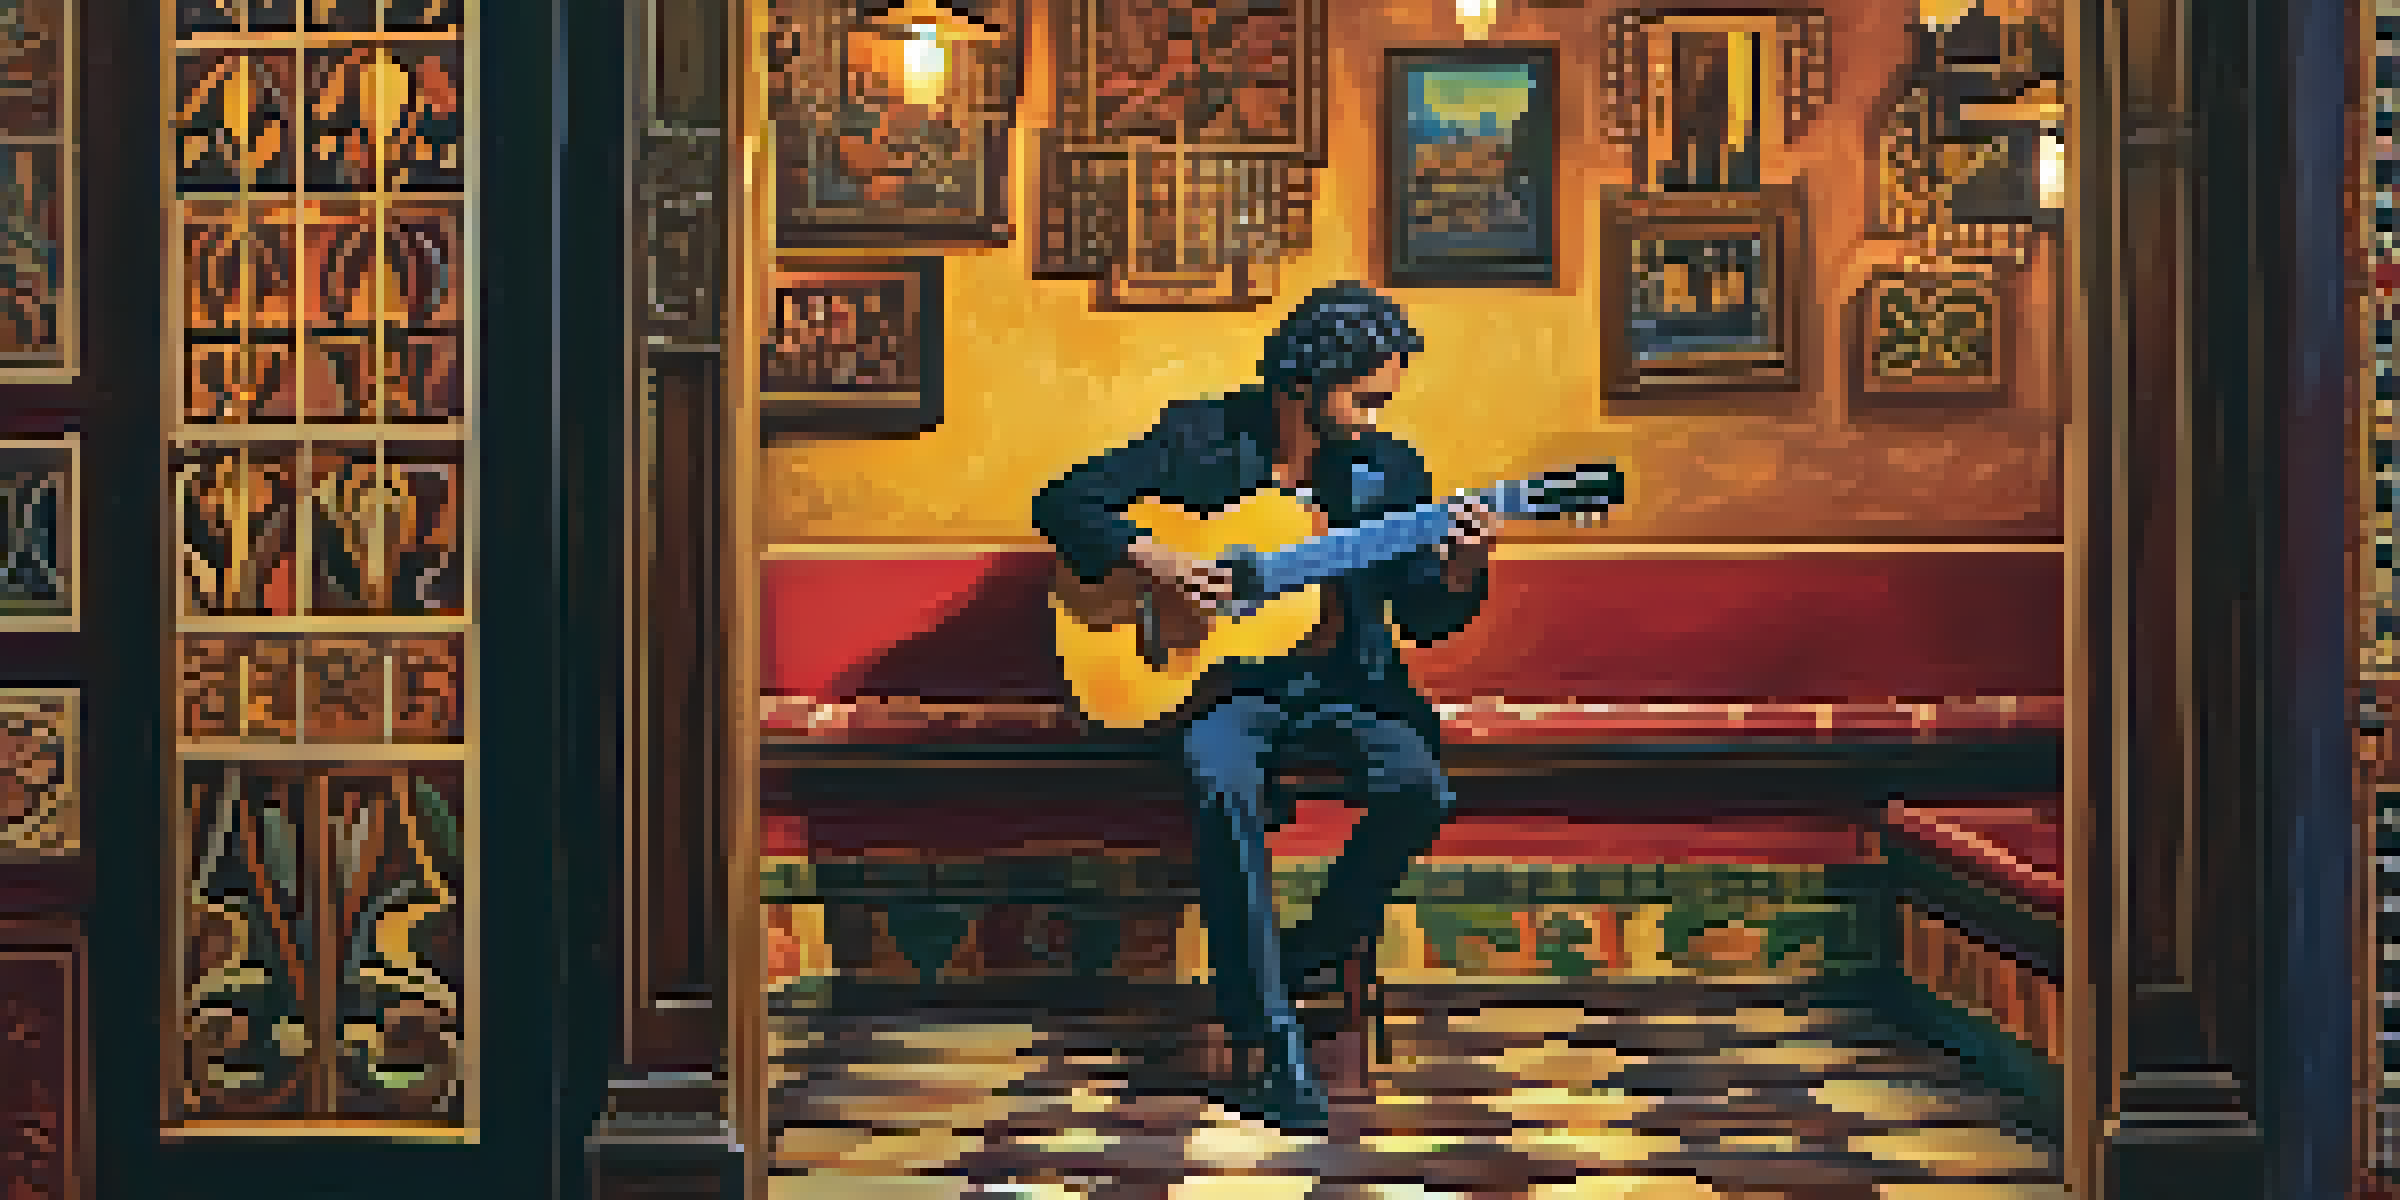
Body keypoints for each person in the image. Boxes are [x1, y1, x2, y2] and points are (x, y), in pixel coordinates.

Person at [1032, 281, 1497, 1131]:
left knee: (1419, 787)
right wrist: (1156, 560)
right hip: (1228, 686)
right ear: (1303, 382)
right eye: (1363, 396)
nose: (1374, 414)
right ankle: (1270, 1040)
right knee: (1221, 782)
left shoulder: (1390, 469)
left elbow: (1425, 616)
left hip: (1348, 685)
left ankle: (1295, 961)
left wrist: (1462, 568)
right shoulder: (1199, 435)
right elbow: (1062, 504)